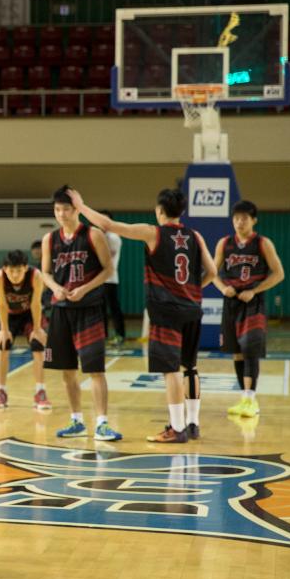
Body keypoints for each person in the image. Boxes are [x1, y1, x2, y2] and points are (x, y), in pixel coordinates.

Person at [70, 189, 215, 443]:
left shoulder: (153, 232)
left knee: (170, 370)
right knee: (190, 368)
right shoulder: (195, 235)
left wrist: (81, 205)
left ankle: (177, 428)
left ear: (160, 211)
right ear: (181, 211)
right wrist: (192, 290)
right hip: (192, 309)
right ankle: (193, 424)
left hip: (167, 311)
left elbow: (107, 224)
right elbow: (212, 271)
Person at [40, 186, 121, 441]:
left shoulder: (93, 234)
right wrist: (56, 288)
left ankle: (102, 423)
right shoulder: (49, 240)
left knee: (95, 369)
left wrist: (84, 289)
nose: (61, 214)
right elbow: (45, 272)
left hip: (89, 309)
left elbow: (108, 270)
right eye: (57, 210)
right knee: (67, 370)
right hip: (62, 310)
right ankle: (76, 420)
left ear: (76, 209)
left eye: (66, 209)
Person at [215, 200, 285, 419]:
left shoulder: (263, 243)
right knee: (236, 352)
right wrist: (222, 287)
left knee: (250, 349)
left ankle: (251, 400)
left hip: (253, 303)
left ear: (254, 220)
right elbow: (212, 272)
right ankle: (243, 398)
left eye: (244, 218)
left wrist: (255, 290)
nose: (239, 222)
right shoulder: (224, 243)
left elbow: (278, 273)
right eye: (236, 218)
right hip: (232, 302)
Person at [0, 249, 51, 411]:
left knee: (38, 345)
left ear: (25, 268)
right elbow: (1, 304)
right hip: (10, 314)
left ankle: (40, 391)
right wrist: (3, 329)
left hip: (30, 314)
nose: (15, 275)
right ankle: (1, 391)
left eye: (18, 271)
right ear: (4, 269)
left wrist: (37, 329)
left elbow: (36, 304)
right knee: (3, 346)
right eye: (11, 271)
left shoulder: (35, 276)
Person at [99, 210, 125, 346]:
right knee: (100, 309)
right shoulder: (99, 235)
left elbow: (106, 257)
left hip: (110, 278)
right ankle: (103, 336)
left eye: (105, 219)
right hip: (98, 279)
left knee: (113, 308)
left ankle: (120, 335)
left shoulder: (113, 237)